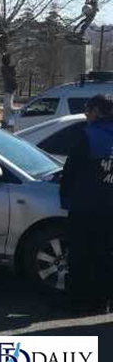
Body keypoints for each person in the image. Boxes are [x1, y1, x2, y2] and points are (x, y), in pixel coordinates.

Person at [59, 93, 113, 313]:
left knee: (81, 255)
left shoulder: (87, 136)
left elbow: (70, 172)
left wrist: (65, 198)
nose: (86, 116)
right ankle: (103, 302)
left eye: (87, 111)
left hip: (85, 207)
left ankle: (78, 301)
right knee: (106, 255)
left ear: (97, 111)